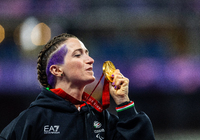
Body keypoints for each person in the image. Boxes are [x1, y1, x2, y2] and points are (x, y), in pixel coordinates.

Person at [0, 33, 155, 140]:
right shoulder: (34, 118)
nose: (91, 60)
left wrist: (123, 102)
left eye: (87, 53)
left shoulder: (100, 118)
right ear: (57, 69)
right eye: (78, 54)